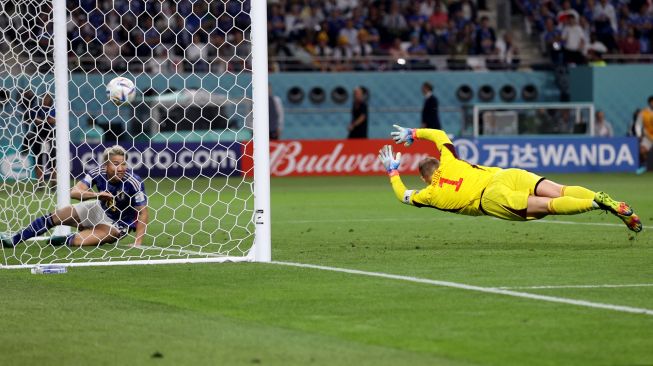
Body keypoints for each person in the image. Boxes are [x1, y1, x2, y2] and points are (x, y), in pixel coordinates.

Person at [377, 125, 642, 233]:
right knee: (559, 190)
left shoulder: (430, 195)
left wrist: (393, 172)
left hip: (492, 198)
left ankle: (598, 203)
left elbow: (403, 196)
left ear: (424, 179)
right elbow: (439, 134)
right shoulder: (450, 159)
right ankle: (609, 201)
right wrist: (413, 133)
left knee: (547, 206)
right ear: (438, 163)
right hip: (507, 174)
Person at [1, 145, 149, 248]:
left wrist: (137, 243)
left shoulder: (133, 182)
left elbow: (143, 212)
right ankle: (14, 240)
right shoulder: (97, 173)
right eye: (116, 164)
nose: (121, 168)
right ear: (106, 165)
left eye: (123, 164)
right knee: (59, 215)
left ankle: (66, 239)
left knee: (79, 242)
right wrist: (97, 195)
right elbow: (74, 192)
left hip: (117, 224)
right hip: (98, 208)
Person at [20, 92, 56, 184]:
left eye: (47, 99)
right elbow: (36, 121)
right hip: (38, 134)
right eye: (43, 98)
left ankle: (54, 182)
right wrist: (47, 120)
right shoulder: (36, 109)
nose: (44, 100)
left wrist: (44, 120)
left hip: (50, 134)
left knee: (53, 158)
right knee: (38, 159)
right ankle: (40, 182)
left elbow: (54, 120)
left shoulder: (53, 109)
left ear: (50, 100)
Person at [635, 96, 653, 175]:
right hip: (648, 136)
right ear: (649, 103)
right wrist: (639, 134)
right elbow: (638, 124)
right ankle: (644, 166)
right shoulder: (643, 113)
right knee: (642, 151)